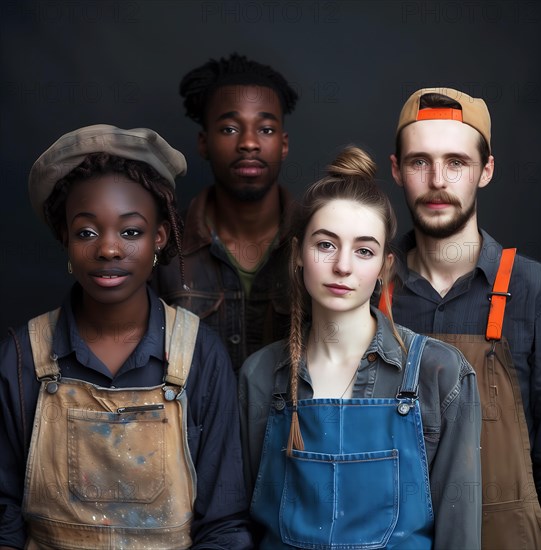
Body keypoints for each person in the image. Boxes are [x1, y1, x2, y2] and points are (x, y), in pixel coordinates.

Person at [0, 125, 253, 549]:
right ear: (64, 238)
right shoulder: (24, 356)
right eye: (86, 232)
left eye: (131, 231)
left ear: (159, 237)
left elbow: (224, 526)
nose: (109, 249)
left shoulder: (198, 355)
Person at [239, 146, 482, 549]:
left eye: (364, 250)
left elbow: (460, 536)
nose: (343, 267)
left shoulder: (440, 373)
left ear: (385, 267)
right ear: (299, 253)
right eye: (326, 245)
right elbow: (241, 524)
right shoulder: (261, 376)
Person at [387, 87, 541, 549]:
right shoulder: (366, 288)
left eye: (456, 162)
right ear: (397, 170)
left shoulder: (537, 292)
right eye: (419, 162)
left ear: (486, 170)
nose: (438, 180)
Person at [151, 53, 298, 372]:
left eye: (266, 129)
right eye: (230, 129)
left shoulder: (319, 242)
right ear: (204, 143)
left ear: (284, 145)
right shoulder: (163, 249)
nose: (248, 143)